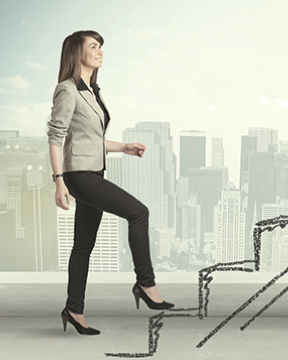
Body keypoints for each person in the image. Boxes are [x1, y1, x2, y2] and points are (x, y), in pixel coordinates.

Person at [48, 30, 174, 336]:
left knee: (83, 247)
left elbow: (92, 140)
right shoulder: (67, 90)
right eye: (93, 46)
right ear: (76, 52)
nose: (100, 51)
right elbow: (56, 137)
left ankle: (74, 310)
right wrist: (59, 181)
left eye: (101, 46)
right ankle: (145, 283)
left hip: (94, 172)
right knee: (138, 212)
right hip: (79, 175)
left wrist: (125, 148)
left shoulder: (92, 91)